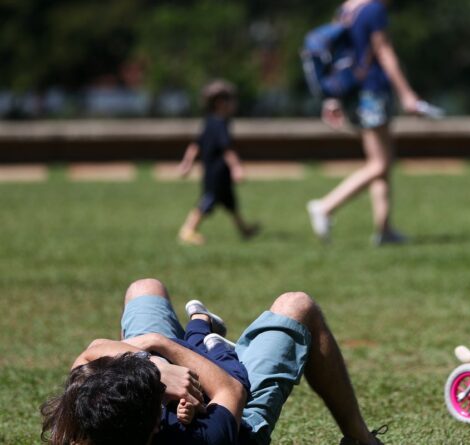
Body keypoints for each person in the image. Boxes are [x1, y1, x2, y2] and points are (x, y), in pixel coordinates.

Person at [41, 278, 386, 445]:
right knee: (298, 305)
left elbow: (92, 351)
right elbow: (229, 388)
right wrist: (159, 347)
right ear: (154, 428)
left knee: (145, 288)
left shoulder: (77, 425)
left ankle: (201, 336)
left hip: (146, 385)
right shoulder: (202, 441)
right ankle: (360, 439)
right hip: (234, 411)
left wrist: (154, 365)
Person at [306, 0, 426, 246]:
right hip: (372, 91)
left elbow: (333, 57)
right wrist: (406, 94)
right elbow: (384, 52)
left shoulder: (346, 8)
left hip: (353, 93)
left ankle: (384, 230)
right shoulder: (374, 10)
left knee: (381, 161)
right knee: (380, 164)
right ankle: (325, 206)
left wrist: (332, 99)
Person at [178, 80, 259, 246]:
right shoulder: (220, 123)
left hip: (217, 172)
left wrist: (187, 163)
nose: (234, 104)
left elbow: (195, 145)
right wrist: (237, 168)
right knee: (207, 201)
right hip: (216, 173)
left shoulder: (210, 121)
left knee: (231, 203)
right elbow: (227, 149)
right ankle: (187, 230)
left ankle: (244, 230)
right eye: (231, 101)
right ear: (221, 103)